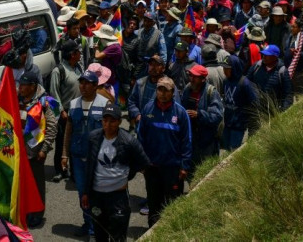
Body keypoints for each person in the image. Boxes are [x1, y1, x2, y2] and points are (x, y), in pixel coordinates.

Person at [82, 104, 150, 242]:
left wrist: (128, 174)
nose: (108, 124)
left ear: (119, 121)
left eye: (112, 121)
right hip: (97, 196)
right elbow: (89, 167)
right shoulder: (93, 138)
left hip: (118, 199)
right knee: (99, 235)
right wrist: (85, 193)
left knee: (117, 237)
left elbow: (144, 162)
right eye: (105, 120)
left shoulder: (129, 141)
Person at [62, 70, 110, 237]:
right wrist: (64, 155)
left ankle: (99, 226)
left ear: (95, 85)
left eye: (87, 83)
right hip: (78, 159)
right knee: (83, 193)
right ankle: (88, 224)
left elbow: (110, 133)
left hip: (97, 160)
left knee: (98, 193)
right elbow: (68, 132)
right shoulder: (73, 104)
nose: (83, 86)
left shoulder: (104, 104)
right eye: (81, 82)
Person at [137, 77, 191, 226]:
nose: (162, 93)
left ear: (172, 93)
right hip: (152, 167)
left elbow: (187, 140)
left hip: (172, 169)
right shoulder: (148, 109)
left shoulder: (180, 113)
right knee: (154, 204)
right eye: (160, 89)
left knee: (173, 205)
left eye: (166, 90)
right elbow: (140, 137)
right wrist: (141, 162)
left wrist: (184, 166)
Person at [18, 68, 57, 228]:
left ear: (33, 86)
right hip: (19, 152)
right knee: (23, 185)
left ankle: (38, 213)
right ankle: (26, 212)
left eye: (24, 85)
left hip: (35, 153)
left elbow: (52, 126)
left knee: (37, 186)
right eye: (20, 84)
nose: (20, 87)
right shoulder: (17, 99)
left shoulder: (44, 102)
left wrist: (44, 149)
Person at [48, 39, 83, 183]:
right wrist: (61, 111)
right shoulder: (58, 71)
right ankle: (59, 170)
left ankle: (74, 170)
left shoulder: (78, 68)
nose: (80, 54)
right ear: (71, 54)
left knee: (75, 141)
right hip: (65, 112)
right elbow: (54, 93)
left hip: (77, 110)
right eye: (77, 52)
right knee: (62, 142)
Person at [181, 64, 224, 172]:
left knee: (206, 170)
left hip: (207, 142)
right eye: (191, 76)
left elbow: (217, 116)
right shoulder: (187, 89)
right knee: (190, 170)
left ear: (203, 79)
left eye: (195, 77)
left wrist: (199, 114)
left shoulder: (211, 92)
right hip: (190, 139)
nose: (192, 79)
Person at [219, 55, 258, 151]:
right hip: (227, 124)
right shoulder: (225, 81)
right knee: (225, 150)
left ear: (234, 68)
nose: (224, 71)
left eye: (227, 68)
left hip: (238, 125)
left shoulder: (244, 83)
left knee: (234, 150)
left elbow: (254, 102)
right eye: (223, 68)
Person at [246, 45, 293, 122]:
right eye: (263, 54)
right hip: (255, 111)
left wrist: (284, 112)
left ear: (275, 57)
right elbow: (246, 83)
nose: (264, 56)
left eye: (267, 55)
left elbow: (288, 94)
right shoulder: (256, 66)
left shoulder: (282, 71)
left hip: (272, 114)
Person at [128, 54, 169, 127]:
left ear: (163, 68)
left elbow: (175, 108)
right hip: (143, 125)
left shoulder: (169, 86)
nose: (153, 67)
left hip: (160, 127)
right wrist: (137, 114)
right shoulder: (140, 83)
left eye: (157, 65)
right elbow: (132, 101)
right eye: (151, 64)